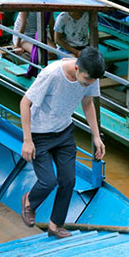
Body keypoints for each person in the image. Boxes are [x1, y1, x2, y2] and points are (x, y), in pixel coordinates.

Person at [19, 47, 106, 239]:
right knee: (48, 181)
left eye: (92, 81)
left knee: (68, 180)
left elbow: (88, 103)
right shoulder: (51, 75)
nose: (89, 84)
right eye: (86, 80)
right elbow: (25, 103)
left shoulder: (90, 75)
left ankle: (55, 225)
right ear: (76, 69)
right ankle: (29, 201)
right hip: (39, 133)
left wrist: (96, 136)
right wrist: (27, 140)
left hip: (64, 132)